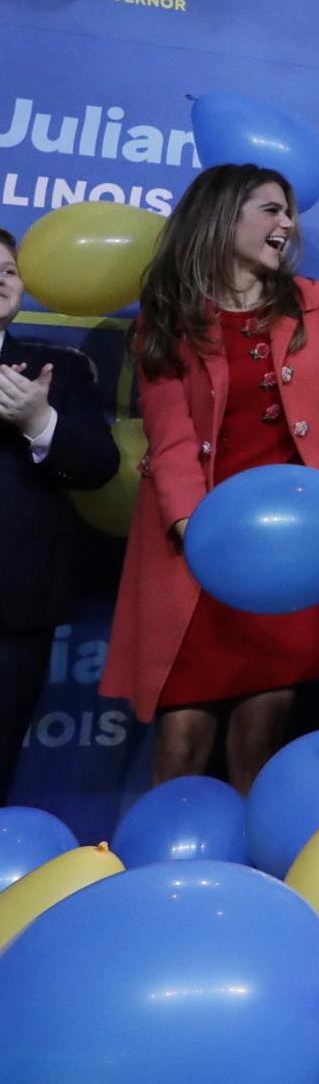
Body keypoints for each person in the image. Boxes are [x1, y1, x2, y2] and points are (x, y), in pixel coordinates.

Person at [99, 167, 319, 790]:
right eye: (271, 210)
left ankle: (251, 880)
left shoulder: (316, 302)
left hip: (287, 552)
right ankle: (159, 881)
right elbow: (168, 443)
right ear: (224, 216)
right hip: (198, 548)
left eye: (290, 213)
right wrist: (199, 539)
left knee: (260, 741)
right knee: (181, 743)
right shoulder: (165, 319)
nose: (287, 225)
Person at [0, 227, 120, 800]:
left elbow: (100, 464)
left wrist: (38, 424)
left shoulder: (55, 372)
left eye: (9, 269)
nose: (2, 277)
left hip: (13, 608)